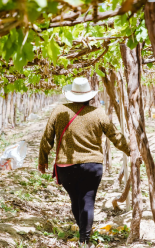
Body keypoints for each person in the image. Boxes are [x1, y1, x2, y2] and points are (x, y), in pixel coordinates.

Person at [38, 77, 130, 247]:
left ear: (71, 95)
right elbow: (115, 136)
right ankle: (84, 239)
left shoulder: (59, 111)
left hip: (67, 167)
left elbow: (47, 138)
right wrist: (131, 151)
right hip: (92, 166)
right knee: (88, 200)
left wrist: (42, 161)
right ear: (90, 96)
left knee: (75, 199)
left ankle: (83, 235)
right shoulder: (98, 113)